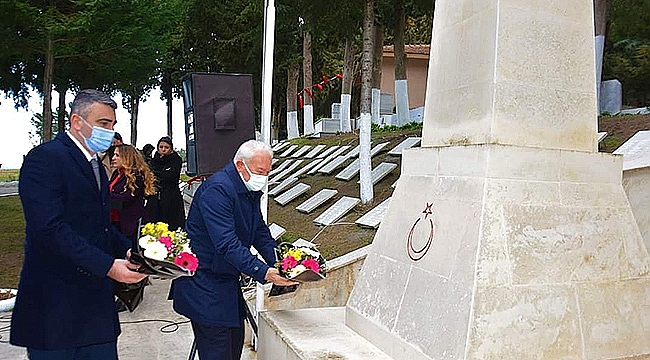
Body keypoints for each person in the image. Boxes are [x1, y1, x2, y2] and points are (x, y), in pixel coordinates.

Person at [11, 89, 147, 360]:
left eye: (113, 124)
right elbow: (50, 228)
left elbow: (100, 225)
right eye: (103, 123)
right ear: (77, 122)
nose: (110, 131)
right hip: (56, 309)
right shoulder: (45, 159)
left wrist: (130, 251)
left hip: (95, 311)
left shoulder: (95, 164)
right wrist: (108, 266)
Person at [170, 140, 298, 360]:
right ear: (240, 165)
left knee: (233, 346)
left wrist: (283, 264)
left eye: (268, 172)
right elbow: (226, 243)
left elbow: (259, 231)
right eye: (260, 171)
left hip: (226, 286)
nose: (264, 178)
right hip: (204, 285)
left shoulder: (246, 189)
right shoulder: (218, 190)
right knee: (219, 352)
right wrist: (264, 272)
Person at [109, 144, 156, 240]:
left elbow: (126, 198)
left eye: (117, 155)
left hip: (128, 223)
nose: (113, 158)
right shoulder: (117, 173)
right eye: (114, 155)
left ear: (127, 157)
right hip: (114, 219)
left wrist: (105, 196)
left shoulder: (137, 175)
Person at [145, 136, 185, 230]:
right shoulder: (154, 160)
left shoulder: (175, 160)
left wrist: (157, 174)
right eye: (161, 147)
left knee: (172, 224)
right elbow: (149, 174)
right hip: (155, 197)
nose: (163, 150)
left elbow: (170, 176)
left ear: (171, 149)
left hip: (171, 196)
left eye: (166, 147)